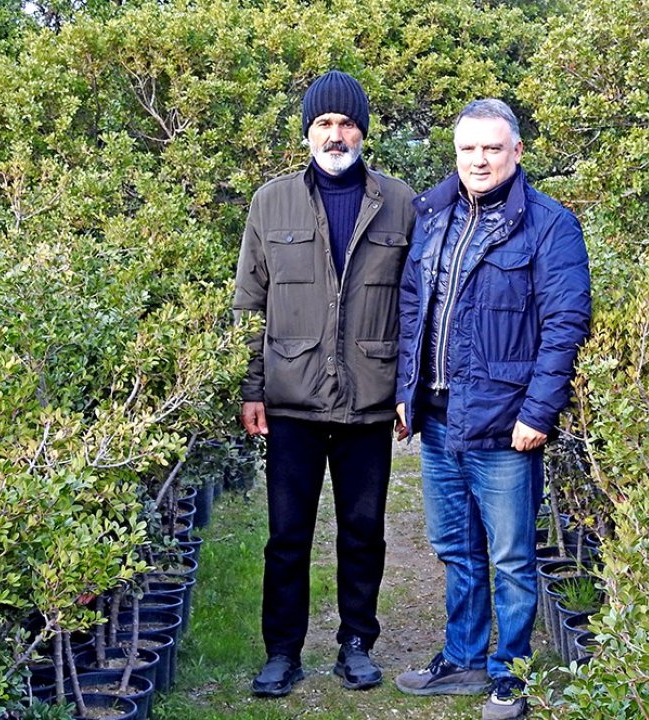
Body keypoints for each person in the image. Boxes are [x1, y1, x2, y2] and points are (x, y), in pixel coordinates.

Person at [392, 99, 591, 720]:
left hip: (507, 424)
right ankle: (462, 658)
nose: (478, 160)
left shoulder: (550, 226)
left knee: (510, 556)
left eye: (491, 148)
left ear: (516, 152)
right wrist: (407, 392)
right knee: (455, 546)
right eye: (468, 149)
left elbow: (565, 323)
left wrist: (539, 411)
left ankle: (511, 673)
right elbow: (410, 314)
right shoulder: (432, 215)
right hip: (439, 418)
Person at [233, 69, 415, 698]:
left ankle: (356, 643)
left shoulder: (401, 202)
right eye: (323, 125)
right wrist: (251, 388)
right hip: (290, 403)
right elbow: (248, 306)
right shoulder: (270, 201)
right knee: (287, 536)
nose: (334, 136)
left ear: (364, 130)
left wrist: (405, 389)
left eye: (345, 124)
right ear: (307, 131)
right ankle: (282, 652)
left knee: (363, 532)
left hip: (369, 402)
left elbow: (414, 304)